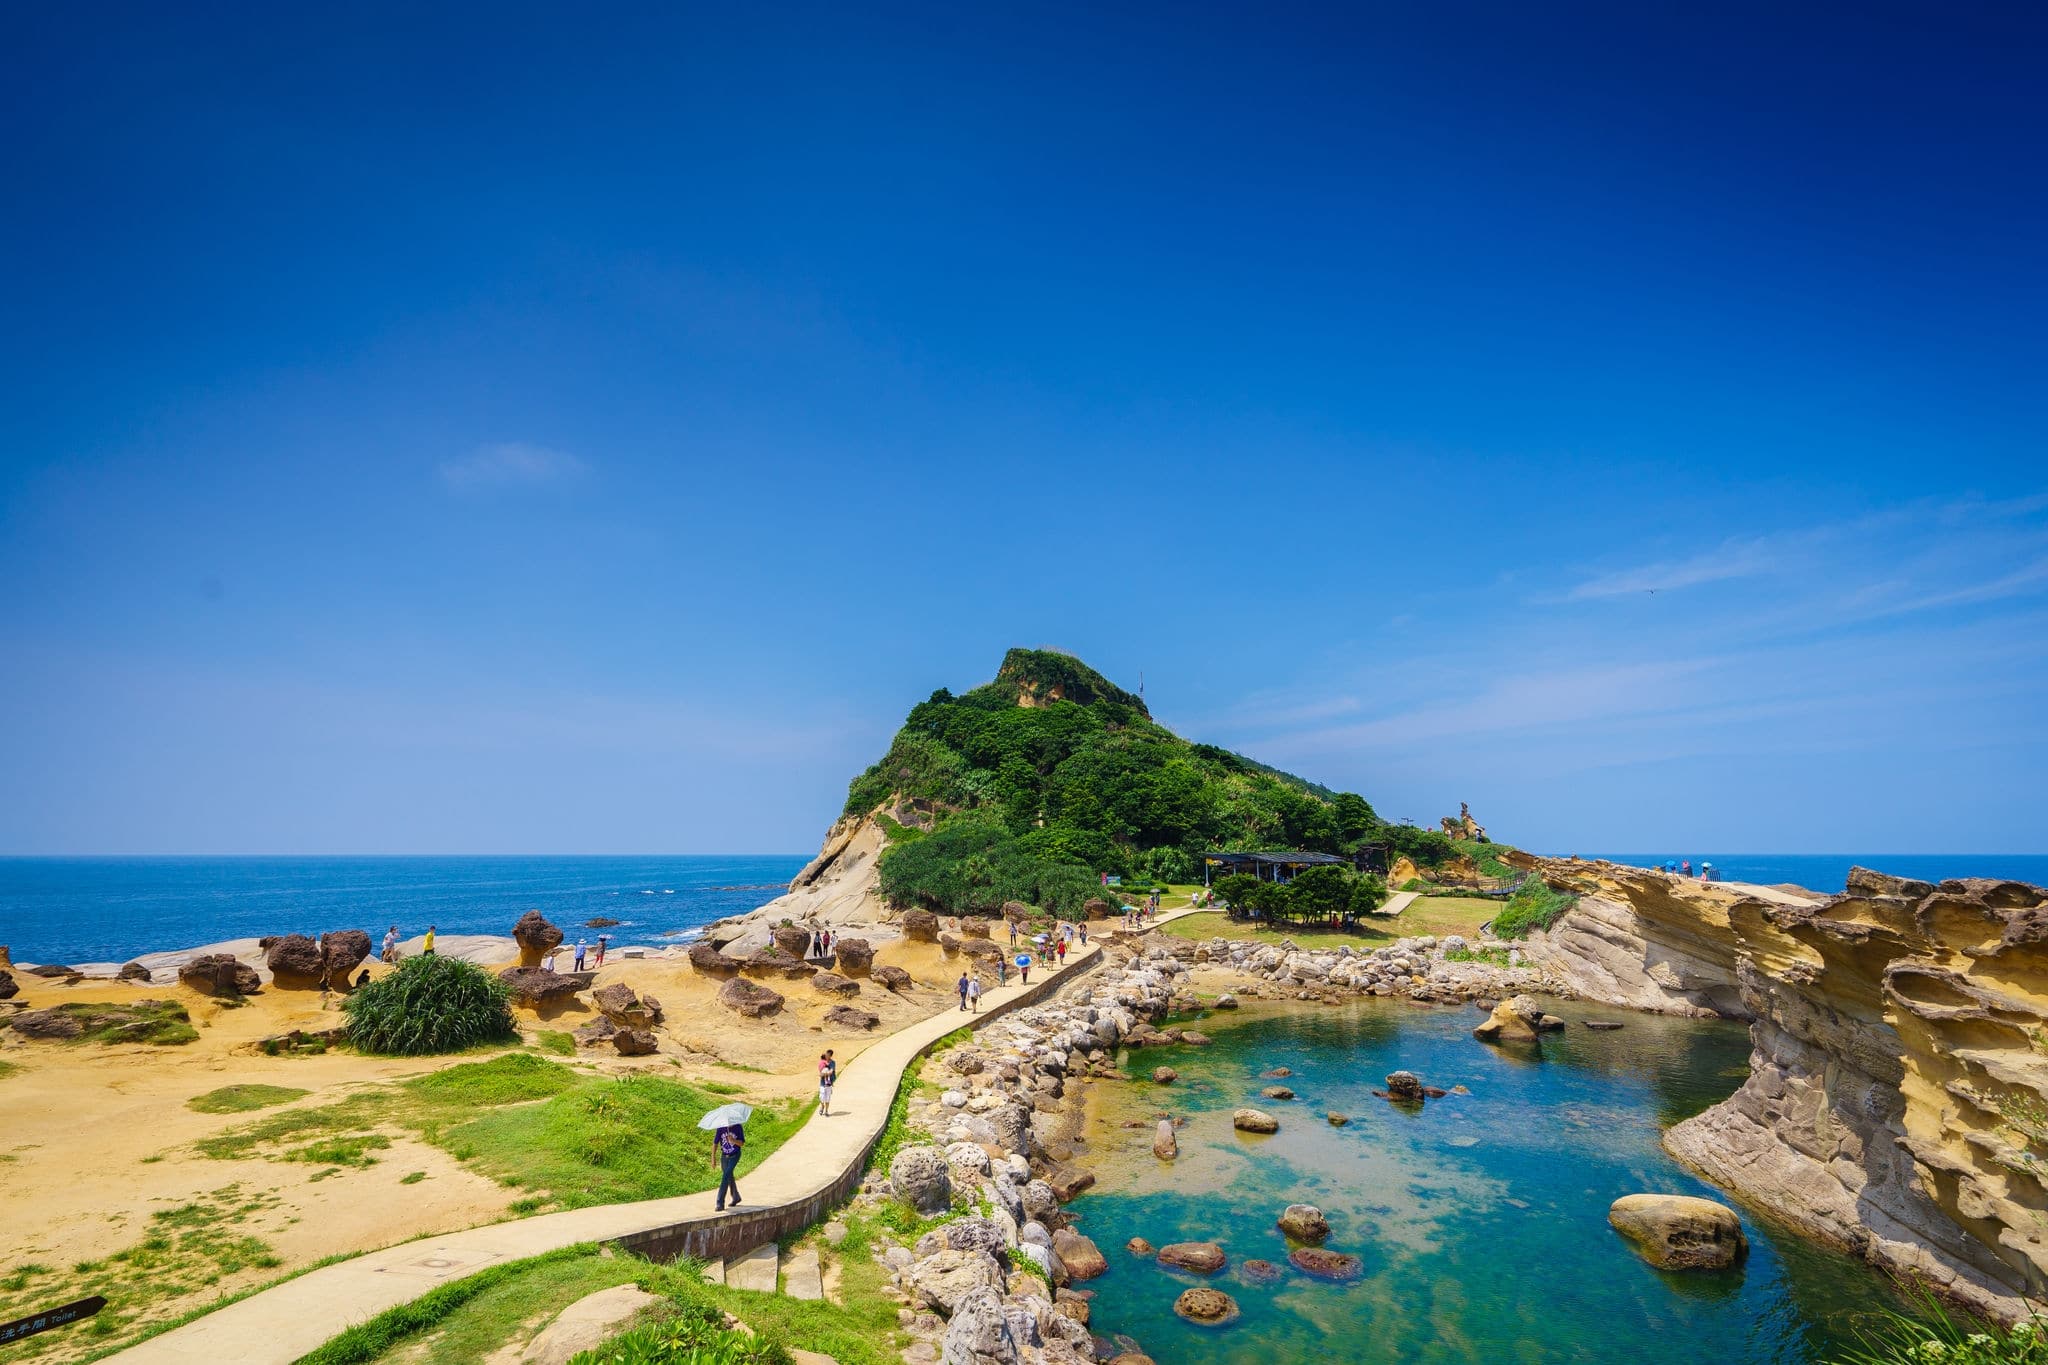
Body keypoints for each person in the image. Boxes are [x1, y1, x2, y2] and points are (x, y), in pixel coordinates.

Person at [713, 1120, 745, 1211]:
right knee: (729, 1176)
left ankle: (720, 1203)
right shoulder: (721, 1128)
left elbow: (742, 1143)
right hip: (724, 1157)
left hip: (735, 1156)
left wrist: (733, 1140)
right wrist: (713, 1158)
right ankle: (736, 1197)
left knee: (726, 1176)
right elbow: (715, 1143)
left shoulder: (738, 1126)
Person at [818, 1049, 837, 1116]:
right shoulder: (822, 1061)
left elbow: (831, 1071)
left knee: (827, 1098)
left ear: (830, 1055)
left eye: (827, 1055)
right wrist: (823, 1074)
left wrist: (824, 1074)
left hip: (829, 1084)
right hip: (822, 1083)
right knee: (821, 1097)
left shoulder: (832, 1062)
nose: (826, 1055)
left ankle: (826, 1111)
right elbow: (820, 1071)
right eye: (826, 1054)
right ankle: (822, 1106)